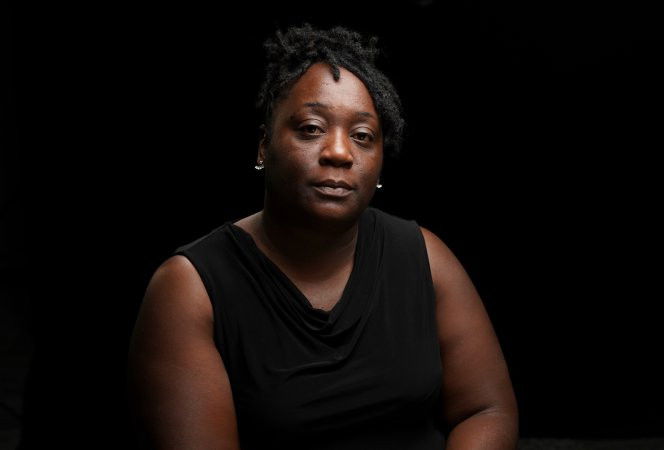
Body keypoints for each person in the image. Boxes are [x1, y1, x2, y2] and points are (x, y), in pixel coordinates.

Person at [127, 23, 518, 449]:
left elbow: (486, 410)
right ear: (264, 146)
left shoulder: (424, 256)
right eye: (311, 128)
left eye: (362, 136)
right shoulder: (190, 289)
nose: (339, 152)